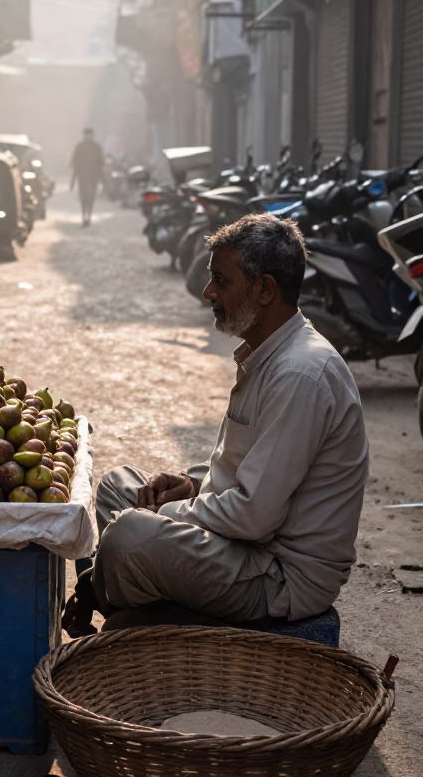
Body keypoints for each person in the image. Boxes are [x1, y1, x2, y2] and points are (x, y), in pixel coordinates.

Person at [63, 214, 369, 635]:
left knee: (129, 534)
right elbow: (253, 474)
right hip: (246, 543)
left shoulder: (301, 374)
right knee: (119, 484)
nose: (208, 292)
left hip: (277, 573)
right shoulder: (271, 355)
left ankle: (110, 595)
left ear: (264, 289)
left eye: (221, 281)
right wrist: (190, 486)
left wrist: (166, 513)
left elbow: (254, 516)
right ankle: (131, 596)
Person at [70, 128, 104, 227]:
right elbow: (74, 163)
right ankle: (84, 216)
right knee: (83, 198)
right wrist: (73, 178)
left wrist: (101, 178)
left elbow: (101, 163)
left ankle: (88, 216)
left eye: (90, 135)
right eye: (87, 135)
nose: (88, 136)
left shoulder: (96, 147)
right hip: (82, 178)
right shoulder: (79, 147)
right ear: (84, 135)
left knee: (91, 198)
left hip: (93, 178)